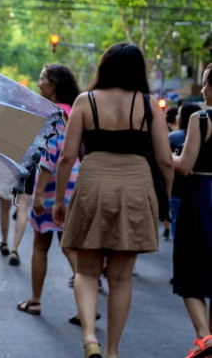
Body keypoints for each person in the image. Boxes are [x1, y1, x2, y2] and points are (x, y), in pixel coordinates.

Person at [53, 43, 173, 358]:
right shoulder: (150, 106)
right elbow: (165, 161)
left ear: (104, 67)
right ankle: (112, 351)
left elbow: (67, 157)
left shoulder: (84, 101)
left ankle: (90, 337)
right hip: (136, 185)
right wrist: (166, 201)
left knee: (86, 271)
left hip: (92, 182)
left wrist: (59, 201)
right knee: (120, 278)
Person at [17, 64, 81, 318]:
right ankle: (85, 307)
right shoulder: (74, 112)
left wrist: (40, 195)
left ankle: (35, 301)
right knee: (70, 245)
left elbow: (48, 156)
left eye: (42, 78)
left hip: (53, 185)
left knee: (41, 245)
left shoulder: (51, 114)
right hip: (74, 183)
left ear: (54, 84)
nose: (38, 83)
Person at [172, 63, 212, 358]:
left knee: (190, 265)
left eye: (204, 83)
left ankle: (203, 337)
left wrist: (169, 156)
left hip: (202, 194)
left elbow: (185, 165)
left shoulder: (201, 119)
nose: (201, 89)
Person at [168, 103, 200, 241]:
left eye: (179, 113)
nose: (177, 116)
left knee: (179, 236)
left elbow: (168, 163)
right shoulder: (205, 135)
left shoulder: (173, 137)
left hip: (177, 191)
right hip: (200, 191)